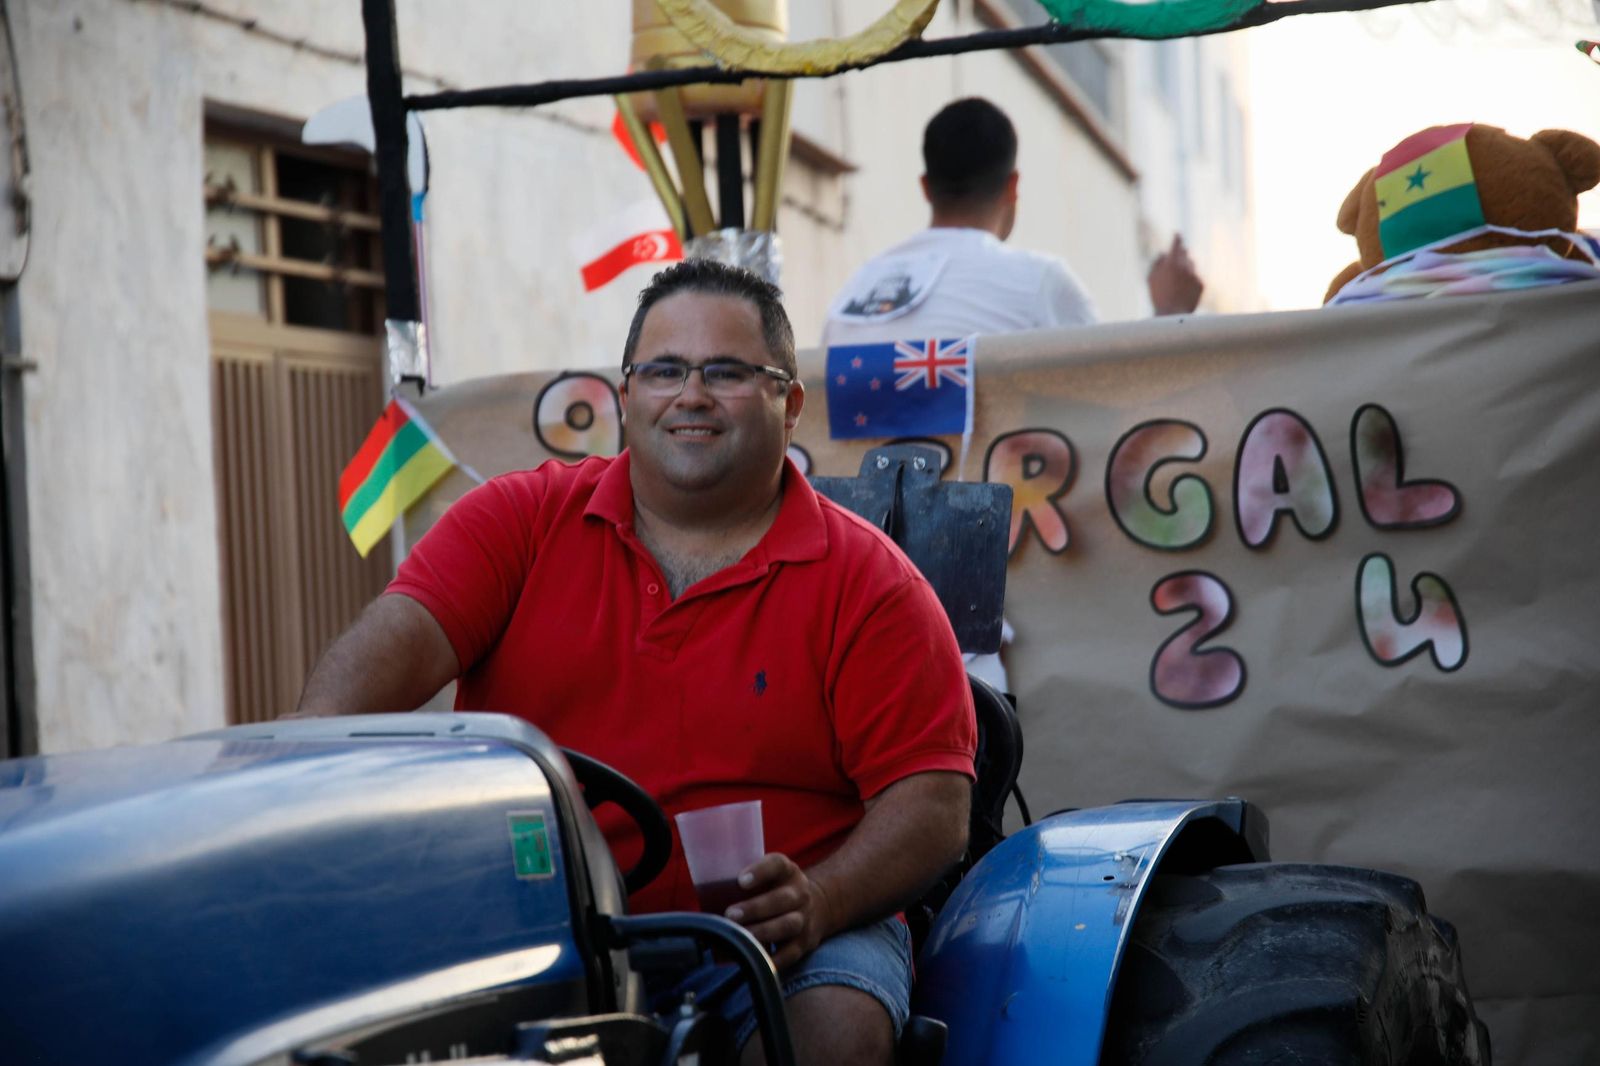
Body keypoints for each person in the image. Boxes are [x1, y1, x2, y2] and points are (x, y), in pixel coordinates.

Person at [294, 259, 977, 1066]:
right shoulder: (517, 523)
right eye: (663, 370)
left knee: (832, 1030)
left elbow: (932, 809)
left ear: (788, 404)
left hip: (792, 936)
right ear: (626, 397)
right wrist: (297, 765)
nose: (690, 395)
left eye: (727, 372)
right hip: (544, 925)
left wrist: (822, 899)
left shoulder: (871, 584)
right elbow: (381, 657)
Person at [821, 97, 1203, 692]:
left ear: (925, 184)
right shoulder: (1038, 283)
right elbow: (1120, 415)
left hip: (858, 603)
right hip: (1010, 615)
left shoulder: (851, 297)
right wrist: (1170, 316)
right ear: (1014, 185)